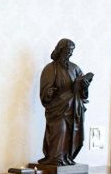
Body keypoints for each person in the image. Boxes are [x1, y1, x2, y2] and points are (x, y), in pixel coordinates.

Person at [38, 38, 94, 166]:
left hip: (74, 109)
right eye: (68, 50)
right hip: (58, 108)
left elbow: (83, 92)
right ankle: (55, 158)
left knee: (72, 134)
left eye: (72, 51)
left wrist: (84, 86)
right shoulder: (51, 69)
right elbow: (45, 90)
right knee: (61, 130)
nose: (70, 53)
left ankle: (67, 158)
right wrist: (48, 93)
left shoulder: (75, 68)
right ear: (61, 49)